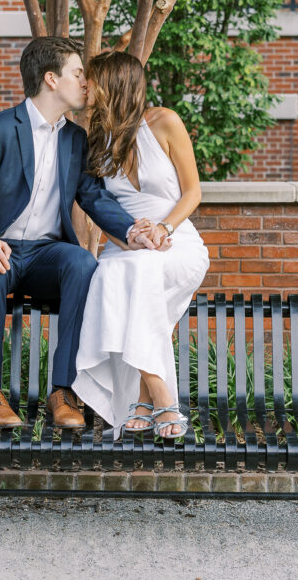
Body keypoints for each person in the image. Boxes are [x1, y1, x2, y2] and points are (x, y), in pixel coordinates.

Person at [0, 37, 166, 429]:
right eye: (77, 73)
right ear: (51, 79)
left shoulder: (75, 139)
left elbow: (94, 197)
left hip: (46, 255)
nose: (85, 82)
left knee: (83, 263)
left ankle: (64, 392)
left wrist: (131, 231)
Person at [72, 51, 210, 439]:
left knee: (136, 272)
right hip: (129, 244)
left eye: (92, 79)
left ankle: (149, 400)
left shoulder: (165, 121)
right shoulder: (97, 139)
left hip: (175, 239)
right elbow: (99, 203)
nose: (85, 86)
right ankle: (156, 399)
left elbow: (194, 191)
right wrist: (134, 235)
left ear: (113, 82)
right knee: (113, 270)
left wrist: (164, 227)